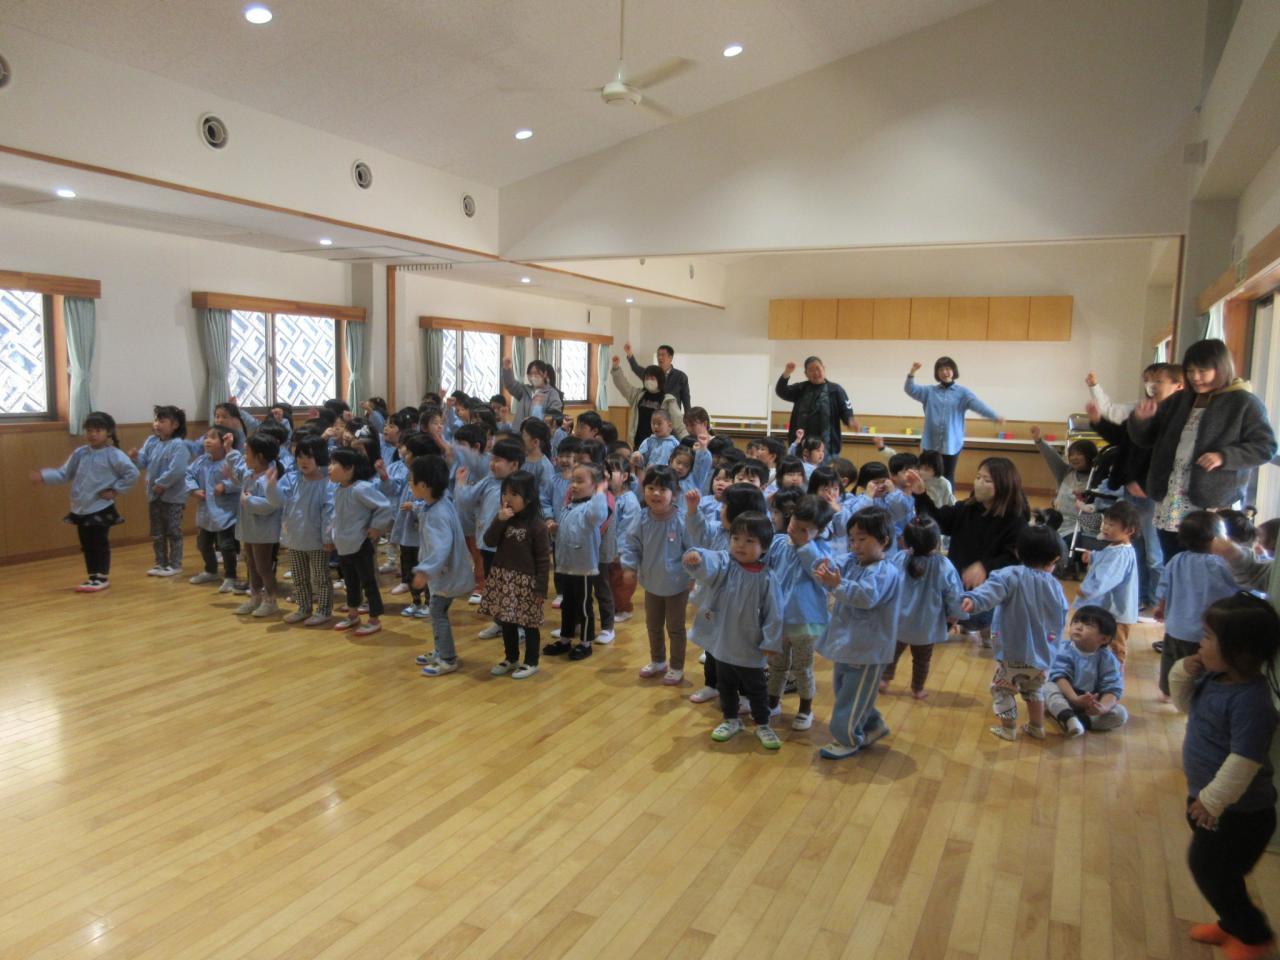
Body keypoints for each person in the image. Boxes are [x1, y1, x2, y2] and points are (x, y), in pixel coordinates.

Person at [1169, 594, 1279, 959]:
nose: (1200, 642)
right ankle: (1231, 923)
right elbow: (1184, 704)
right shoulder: (1215, 679)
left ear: (1240, 652)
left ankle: (1253, 935)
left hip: (1240, 813)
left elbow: (1244, 761)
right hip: (1208, 800)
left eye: (1208, 636)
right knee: (1218, 872)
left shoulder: (1252, 701)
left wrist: (1213, 800)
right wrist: (1182, 672)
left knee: (1209, 868)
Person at [1128, 338, 1277, 563]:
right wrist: (1141, 420)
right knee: (1172, 559)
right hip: (1170, 495)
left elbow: (1266, 447)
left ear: (1221, 368)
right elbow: (1145, 439)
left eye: (1203, 371)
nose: (1195, 377)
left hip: (1209, 500)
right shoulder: (1179, 400)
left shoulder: (1244, 402)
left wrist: (1224, 457)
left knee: (1204, 562)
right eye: (1190, 371)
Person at [684, 513, 785, 750]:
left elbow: (774, 613)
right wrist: (697, 558)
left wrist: (771, 642)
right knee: (725, 685)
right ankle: (731, 720)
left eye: (750, 541)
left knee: (756, 688)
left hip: (750, 644)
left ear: (764, 547)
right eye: (736, 538)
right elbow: (710, 560)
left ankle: (762, 724)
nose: (740, 545)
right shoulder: (725, 565)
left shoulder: (767, 578)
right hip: (723, 642)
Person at [903, 457, 1029, 647]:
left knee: (979, 615)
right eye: (978, 477)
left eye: (987, 480)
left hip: (988, 588)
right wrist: (921, 494)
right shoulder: (967, 508)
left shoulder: (1016, 520)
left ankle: (987, 626)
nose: (979, 483)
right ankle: (964, 622)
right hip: (958, 582)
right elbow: (937, 522)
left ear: (1004, 485)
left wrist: (985, 566)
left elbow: (1014, 557)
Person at [961, 525, 1070, 742]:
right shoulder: (1055, 586)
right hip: (1042, 658)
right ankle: (1037, 727)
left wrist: (973, 600)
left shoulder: (1010, 575)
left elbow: (989, 592)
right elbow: (1062, 615)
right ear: (1054, 560)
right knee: (1034, 692)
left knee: (1002, 691)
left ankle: (1009, 728)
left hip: (1012, 653)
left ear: (1018, 552)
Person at [811, 507, 902, 759]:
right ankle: (873, 725)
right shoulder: (853, 561)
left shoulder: (884, 571)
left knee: (852, 697)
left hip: (868, 648)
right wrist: (823, 567)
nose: (855, 544)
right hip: (848, 643)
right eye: (852, 539)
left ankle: (847, 738)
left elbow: (866, 596)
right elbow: (834, 565)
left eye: (862, 538)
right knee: (847, 691)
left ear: (883, 540)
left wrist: (837, 583)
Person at [31, 410, 139, 592]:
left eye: (98, 430)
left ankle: (101, 577)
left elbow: (132, 473)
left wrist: (115, 490)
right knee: (87, 544)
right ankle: (93, 576)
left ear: (108, 432)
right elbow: (64, 474)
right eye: (89, 430)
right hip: (81, 508)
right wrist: (44, 476)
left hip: (100, 507)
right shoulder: (80, 453)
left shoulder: (114, 455)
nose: (92, 434)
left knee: (99, 543)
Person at [764, 494, 835, 728]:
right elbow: (766, 569)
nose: (797, 530)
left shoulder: (821, 550)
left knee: (802, 668)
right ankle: (772, 702)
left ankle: (806, 709)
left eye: (806, 530)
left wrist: (805, 545)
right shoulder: (779, 542)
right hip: (778, 618)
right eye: (795, 522)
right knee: (777, 665)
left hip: (805, 620)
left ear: (819, 531)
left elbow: (823, 575)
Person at [1154, 511, 1240, 697]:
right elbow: (1244, 584)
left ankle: (1168, 692)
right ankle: (1197, 697)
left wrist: (1160, 607)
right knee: (1201, 668)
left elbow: (1164, 587)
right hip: (1207, 632)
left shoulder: (1177, 560)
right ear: (1216, 538)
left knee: (1172, 660)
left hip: (1176, 627)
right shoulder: (1222, 565)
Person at [621, 465, 693, 686]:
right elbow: (631, 545)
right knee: (653, 625)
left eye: (663, 489)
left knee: (675, 628)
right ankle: (658, 660)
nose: (656, 493)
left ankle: (677, 666)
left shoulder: (682, 520)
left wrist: (694, 577)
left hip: (677, 585)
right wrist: (629, 567)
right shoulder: (642, 518)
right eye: (651, 488)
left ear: (675, 494)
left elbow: (693, 551)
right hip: (651, 583)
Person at [882, 516, 964, 699]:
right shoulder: (943, 565)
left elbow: (886, 583)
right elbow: (954, 594)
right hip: (927, 626)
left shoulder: (899, 558)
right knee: (922, 660)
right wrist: (954, 615)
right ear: (936, 541)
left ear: (905, 541)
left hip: (898, 622)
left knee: (891, 653)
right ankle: (917, 689)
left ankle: (884, 679)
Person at [410, 455, 477, 676]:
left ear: (423, 485)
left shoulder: (437, 513)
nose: (410, 484)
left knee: (437, 612)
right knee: (437, 611)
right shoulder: (439, 502)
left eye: (411, 480)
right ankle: (440, 649)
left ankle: (447, 657)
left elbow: (440, 547)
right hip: (444, 574)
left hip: (445, 574)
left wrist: (425, 571)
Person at [480, 470, 550, 679]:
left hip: (527, 582)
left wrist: (540, 589)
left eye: (514, 494)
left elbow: (543, 560)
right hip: (504, 578)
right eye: (505, 493)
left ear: (528, 499)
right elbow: (489, 540)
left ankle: (531, 662)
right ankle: (511, 658)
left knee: (529, 624)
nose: (507, 498)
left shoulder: (537, 525)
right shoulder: (505, 519)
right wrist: (499, 520)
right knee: (506, 621)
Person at [454, 438, 526, 639]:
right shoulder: (488, 481)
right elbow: (466, 500)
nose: (492, 464)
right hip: (488, 544)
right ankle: (499, 621)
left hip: (511, 547)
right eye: (492, 459)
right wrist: (460, 483)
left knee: (511, 587)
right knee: (494, 586)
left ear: (514, 465)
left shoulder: (521, 485)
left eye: (498, 460)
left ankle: (519, 625)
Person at [267, 434, 335, 626]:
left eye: (309, 457)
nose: (304, 461)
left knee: (321, 578)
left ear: (319, 457)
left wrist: (327, 538)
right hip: (295, 538)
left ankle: (324, 611)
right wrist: (271, 486)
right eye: (300, 457)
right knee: (299, 577)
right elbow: (277, 501)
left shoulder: (327, 483)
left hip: (317, 541)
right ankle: (304, 608)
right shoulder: (291, 478)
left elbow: (329, 514)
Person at [544, 462, 609, 661]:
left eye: (580, 481)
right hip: (566, 565)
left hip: (583, 568)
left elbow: (599, 515)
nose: (574, 485)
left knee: (583, 606)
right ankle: (565, 639)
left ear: (594, 485)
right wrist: (555, 530)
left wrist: (600, 492)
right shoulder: (568, 506)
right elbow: (566, 532)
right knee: (567, 605)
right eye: (573, 480)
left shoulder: (592, 507)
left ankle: (586, 643)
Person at [327, 447, 394, 637]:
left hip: (360, 544)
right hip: (344, 545)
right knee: (350, 582)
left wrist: (376, 527)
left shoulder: (361, 488)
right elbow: (336, 517)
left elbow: (384, 507)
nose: (329, 467)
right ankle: (353, 614)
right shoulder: (338, 489)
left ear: (349, 468)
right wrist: (330, 536)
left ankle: (374, 619)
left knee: (368, 583)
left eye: (334, 463)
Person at [903, 357, 1002, 484]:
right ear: (937, 373)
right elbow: (910, 389)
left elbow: (978, 405)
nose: (945, 372)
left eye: (947, 369)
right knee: (926, 475)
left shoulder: (963, 393)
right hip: (930, 443)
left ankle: (948, 498)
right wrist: (912, 372)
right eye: (941, 370)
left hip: (951, 443)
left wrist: (994, 416)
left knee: (947, 477)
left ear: (953, 371)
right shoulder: (929, 391)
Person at [1043, 605, 1127, 736]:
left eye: (1088, 625)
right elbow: (1059, 677)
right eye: (1076, 622)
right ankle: (1068, 716)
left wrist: (1102, 708)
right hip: (1066, 695)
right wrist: (1074, 699)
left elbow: (1112, 687)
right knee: (1047, 687)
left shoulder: (1107, 658)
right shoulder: (1063, 648)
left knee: (1120, 714)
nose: (1078, 627)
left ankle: (1075, 720)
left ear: (1104, 638)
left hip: (1091, 702)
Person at [1073, 500, 1140, 664]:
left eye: (1112, 525)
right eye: (1106, 523)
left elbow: (1107, 577)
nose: (1105, 527)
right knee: (1103, 644)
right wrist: (1092, 556)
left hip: (1116, 612)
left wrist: (1088, 590)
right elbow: (1104, 558)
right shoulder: (1116, 548)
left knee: (1115, 648)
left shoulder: (1120, 554)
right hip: (1110, 610)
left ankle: (1114, 675)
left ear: (1129, 530)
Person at [128, 404, 191, 577]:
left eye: (162, 421)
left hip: (173, 497)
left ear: (175, 425)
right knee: (157, 532)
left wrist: (162, 483)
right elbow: (143, 462)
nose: (157, 424)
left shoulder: (179, 445)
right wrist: (135, 458)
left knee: (173, 531)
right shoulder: (151, 441)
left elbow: (177, 469)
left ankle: (175, 564)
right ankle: (160, 563)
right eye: (156, 420)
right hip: (154, 495)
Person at [185, 425, 244, 593]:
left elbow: (242, 480)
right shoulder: (202, 461)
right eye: (206, 437)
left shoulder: (231, 461)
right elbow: (188, 475)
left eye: (212, 437)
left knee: (226, 545)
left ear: (225, 442)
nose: (207, 441)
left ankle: (230, 576)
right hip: (206, 512)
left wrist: (226, 486)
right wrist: (193, 489)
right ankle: (211, 570)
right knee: (203, 543)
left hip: (226, 512)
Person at [233, 433, 285, 618]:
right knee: (251, 564)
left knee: (263, 566)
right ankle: (255, 597)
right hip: (249, 528)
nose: (244, 456)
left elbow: (271, 505)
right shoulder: (250, 475)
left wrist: (249, 501)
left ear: (259, 456)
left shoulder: (268, 479)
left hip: (263, 531)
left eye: (247, 452)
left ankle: (271, 600)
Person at [1029, 426, 1097, 560]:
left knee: (1060, 547)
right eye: (1072, 454)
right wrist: (1039, 441)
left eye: (1079, 454)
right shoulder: (1066, 472)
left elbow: (1096, 517)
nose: (1074, 457)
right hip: (1058, 521)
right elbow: (1052, 458)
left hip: (1080, 526)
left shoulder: (1097, 479)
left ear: (1090, 456)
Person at [774, 357, 856, 458]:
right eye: (811, 370)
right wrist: (787, 373)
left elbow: (846, 410)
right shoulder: (801, 388)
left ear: (823, 368)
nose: (816, 373)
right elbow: (781, 391)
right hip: (801, 446)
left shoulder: (835, 390)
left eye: (818, 368)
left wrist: (850, 421)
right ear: (806, 374)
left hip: (828, 448)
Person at [610, 355, 688, 448]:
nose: (648, 380)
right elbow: (623, 386)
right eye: (646, 378)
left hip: (659, 447)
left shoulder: (668, 400)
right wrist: (616, 369)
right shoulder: (637, 395)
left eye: (652, 378)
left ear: (659, 380)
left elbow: (679, 426)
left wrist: (688, 442)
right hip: (637, 445)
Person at [625, 341, 690, 413]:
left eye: (663, 355)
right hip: (653, 414)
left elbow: (686, 399)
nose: (659, 357)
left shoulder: (681, 376)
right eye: (658, 355)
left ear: (670, 357)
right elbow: (636, 368)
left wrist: (688, 416)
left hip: (672, 414)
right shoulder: (651, 373)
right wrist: (629, 354)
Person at [501, 357, 564, 427]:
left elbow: (555, 415)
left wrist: (536, 418)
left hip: (540, 432)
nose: (533, 376)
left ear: (545, 374)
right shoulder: (524, 390)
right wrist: (507, 369)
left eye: (537, 373)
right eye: (530, 374)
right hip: (519, 431)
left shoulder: (552, 393)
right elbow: (511, 385)